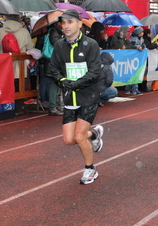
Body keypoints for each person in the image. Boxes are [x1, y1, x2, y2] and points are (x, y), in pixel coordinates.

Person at [49, 9, 104, 185]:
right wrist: (62, 80)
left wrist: (77, 83)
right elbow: (53, 68)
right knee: (69, 140)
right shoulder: (59, 46)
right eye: (63, 23)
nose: (66, 26)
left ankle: (90, 169)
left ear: (79, 24)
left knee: (79, 137)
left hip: (88, 96)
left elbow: (95, 71)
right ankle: (93, 134)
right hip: (69, 98)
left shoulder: (91, 44)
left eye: (69, 22)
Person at [127, 26, 145, 95]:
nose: (143, 33)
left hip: (137, 57)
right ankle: (134, 89)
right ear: (138, 33)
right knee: (134, 73)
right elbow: (132, 45)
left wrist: (142, 47)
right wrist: (138, 47)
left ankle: (129, 89)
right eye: (142, 32)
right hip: (132, 57)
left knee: (134, 73)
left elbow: (143, 44)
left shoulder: (141, 38)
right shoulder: (133, 38)